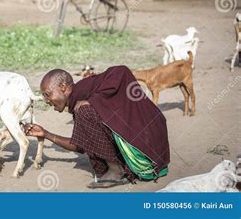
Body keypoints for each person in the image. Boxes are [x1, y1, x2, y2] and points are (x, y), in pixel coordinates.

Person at [25, 66, 170, 188]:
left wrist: (94, 101)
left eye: (48, 95)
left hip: (148, 155)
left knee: (85, 112)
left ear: (63, 87)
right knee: (85, 112)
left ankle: (115, 172)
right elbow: (82, 144)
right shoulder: (80, 97)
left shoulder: (84, 93)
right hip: (151, 147)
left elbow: (122, 71)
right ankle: (116, 168)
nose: (47, 101)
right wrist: (46, 134)